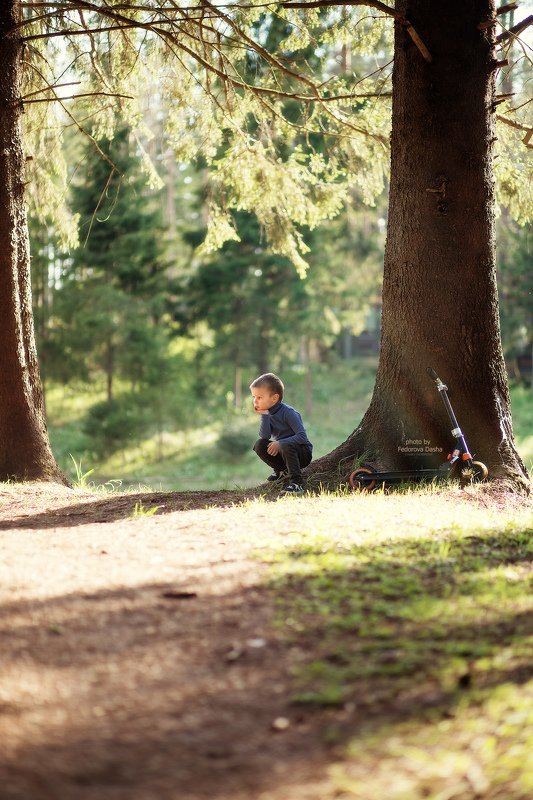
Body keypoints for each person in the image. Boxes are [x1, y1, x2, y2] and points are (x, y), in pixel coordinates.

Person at [250, 372, 313, 495]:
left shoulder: (289, 413)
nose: (255, 401)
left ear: (274, 398)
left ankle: (297, 483)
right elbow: (265, 436)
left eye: (259, 397)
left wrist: (280, 443)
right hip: (284, 452)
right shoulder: (268, 413)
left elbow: (302, 437)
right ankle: (280, 471)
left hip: (302, 453)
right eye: (254, 397)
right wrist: (265, 416)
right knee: (259, 444)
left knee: (285, 445)